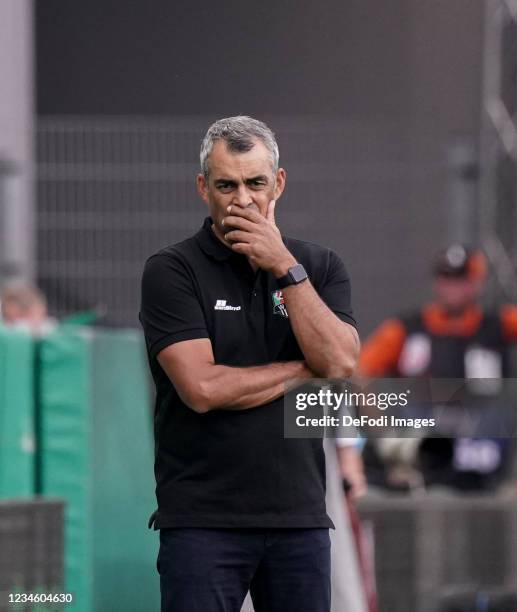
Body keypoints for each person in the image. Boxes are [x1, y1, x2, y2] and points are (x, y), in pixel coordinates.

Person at [139, 116, 360, 612]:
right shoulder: (172, 270)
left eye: (255, 183)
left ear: (277, 183)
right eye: (226, 185)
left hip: (300, 519)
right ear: (203, 188)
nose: (242, 199)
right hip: (202, 523)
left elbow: (342, 361)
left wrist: (285, 267)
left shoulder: (319, 267)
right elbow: (202, 387)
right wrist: (306, 370)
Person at [359, 243, 517, 491]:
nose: (453, 288)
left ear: (478, 282)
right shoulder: (406, 330)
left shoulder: (498, 325)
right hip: (421, 449)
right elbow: (358, 372)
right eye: (446, 278)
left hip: (481, 453)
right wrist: (384, 434)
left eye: (461, 279)